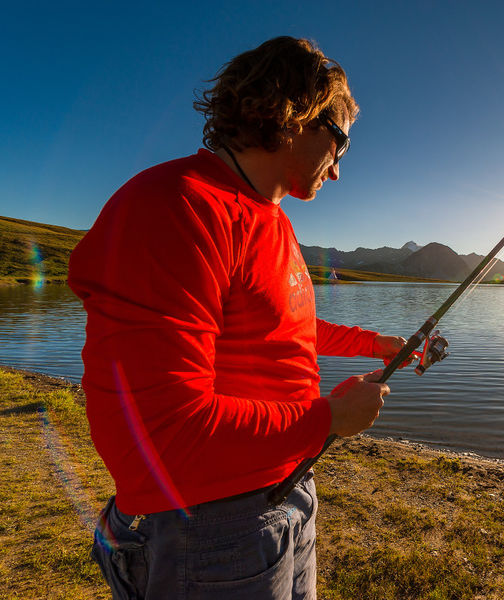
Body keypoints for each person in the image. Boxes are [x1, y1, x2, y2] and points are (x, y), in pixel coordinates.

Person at [68, 36, 406, 599]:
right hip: (210, 527)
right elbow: (166, 431)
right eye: (341, 144)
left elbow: (285, 327)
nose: (340, 171)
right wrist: (328, 419)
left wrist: (377, 344)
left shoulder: (271, 219)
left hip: (288, 492)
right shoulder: (176, 205)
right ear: (298, 115)